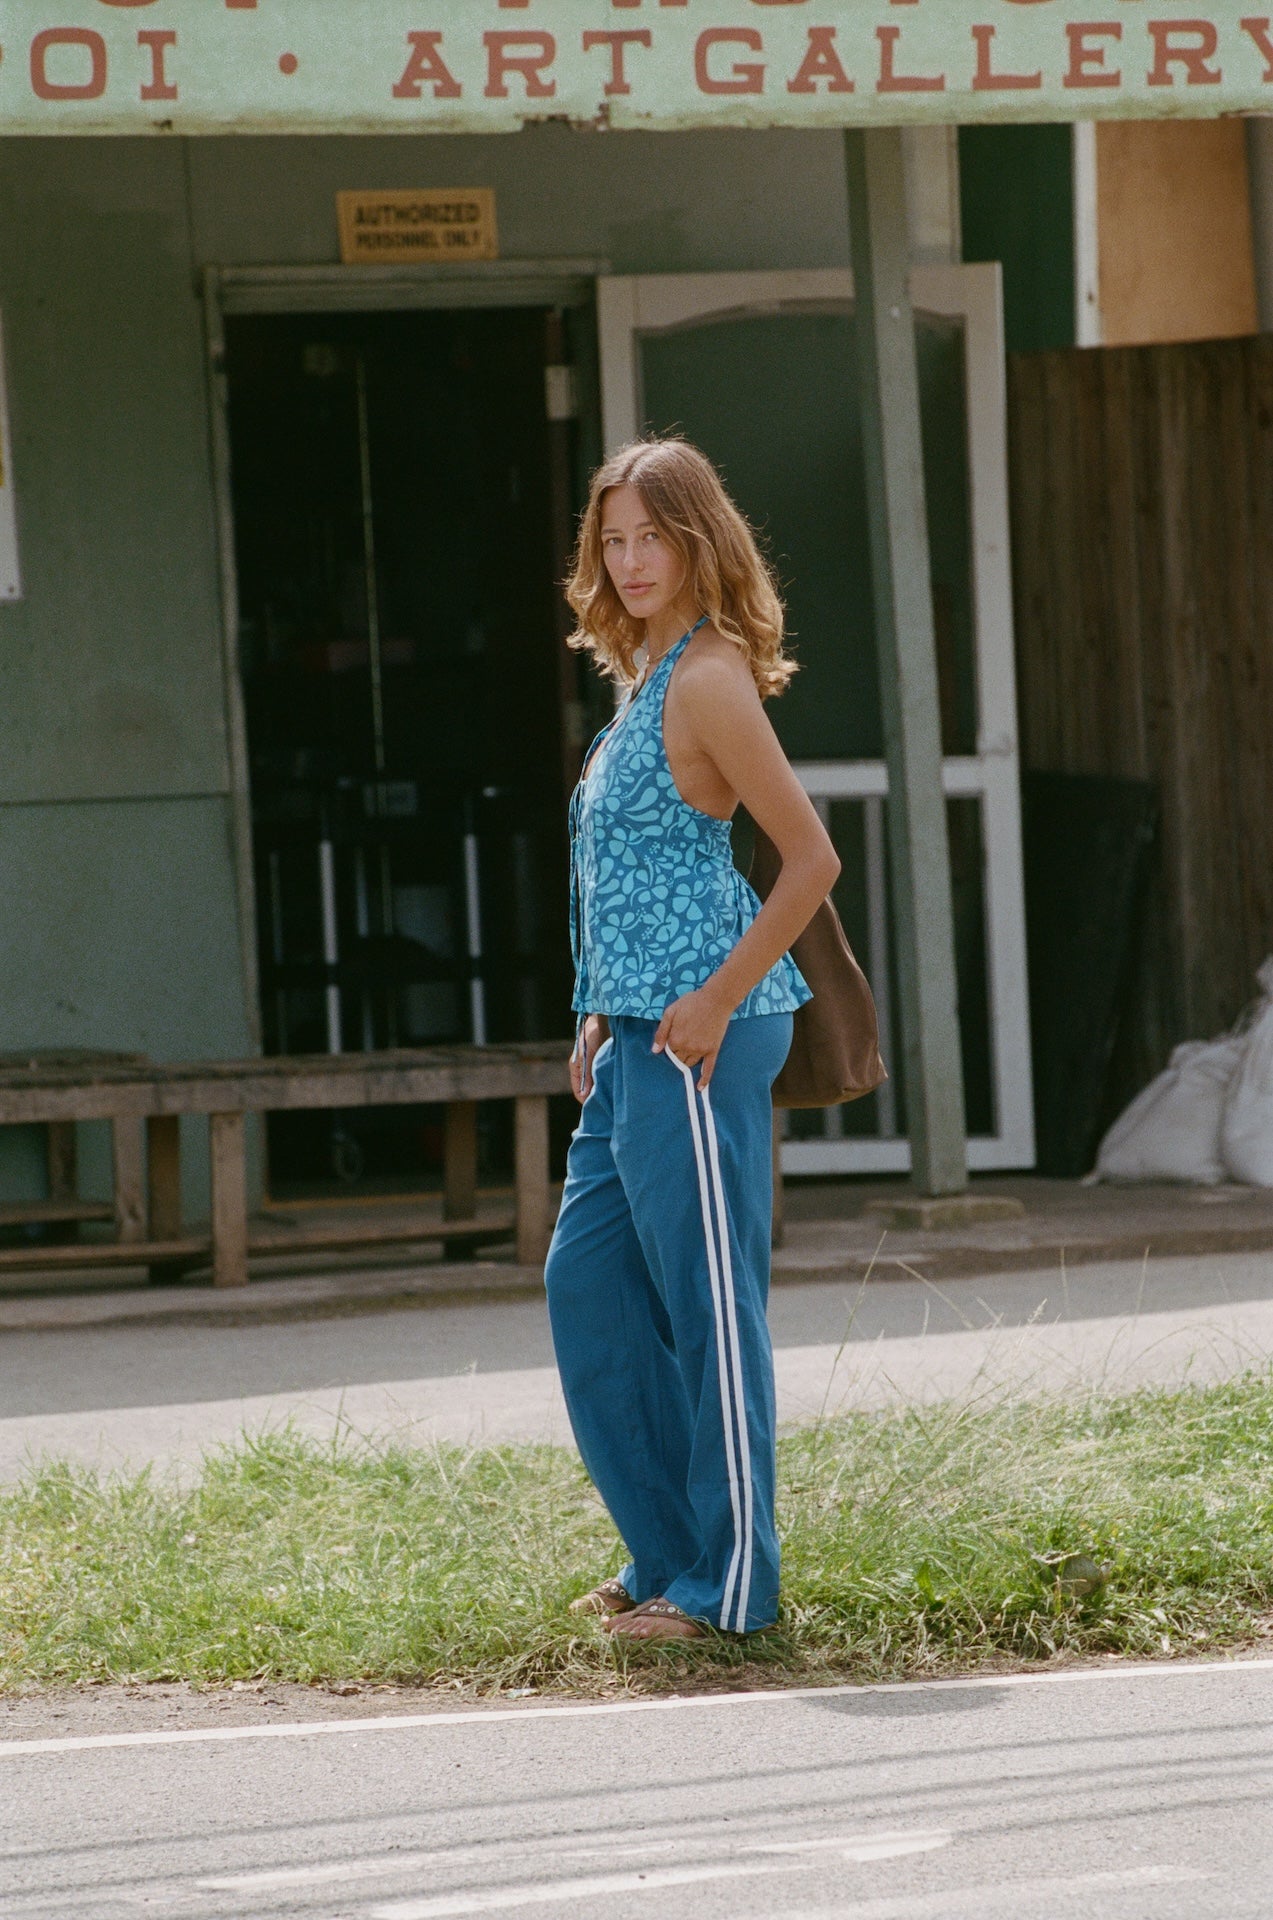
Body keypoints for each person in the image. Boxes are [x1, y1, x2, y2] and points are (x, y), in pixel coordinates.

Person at [544, 437, 840, 1641]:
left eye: (651, 538)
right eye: (612, 540)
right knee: (588, 1288)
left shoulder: (710, 677)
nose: (629, 560)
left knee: (710, 1310)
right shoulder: (646, 677)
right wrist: (595, 1007)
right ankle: (667, 1554)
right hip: (631, 1036)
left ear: (697, 541)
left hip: (701, 1039)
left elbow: (810, 859)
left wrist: (715, 999)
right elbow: (633, 871)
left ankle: (730, 1590)